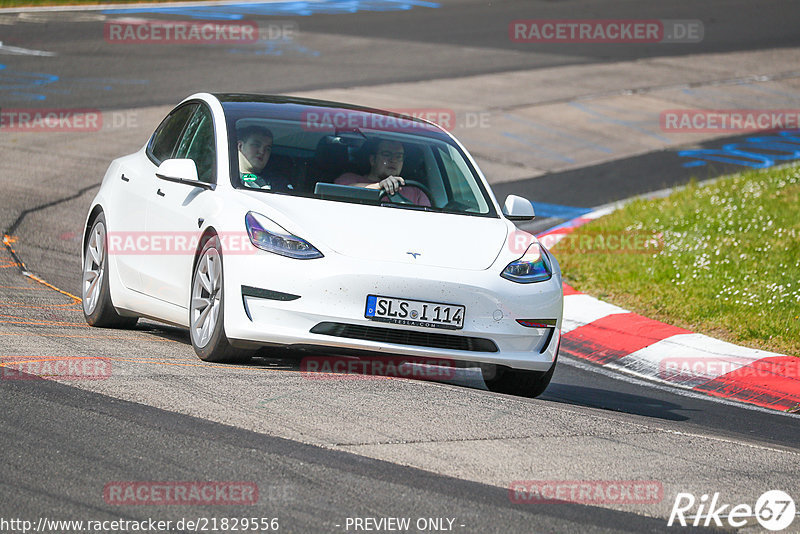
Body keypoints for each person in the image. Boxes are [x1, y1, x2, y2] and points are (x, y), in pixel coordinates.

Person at [335, 139, 430, 206]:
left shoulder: (416, 190)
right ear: (373, 160)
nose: (393, 160)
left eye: (398, 156)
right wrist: (378, 186)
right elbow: (339, 192)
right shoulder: (349, 179)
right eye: (387, 155)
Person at [237, 125, 294, 192]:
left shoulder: (278, 183)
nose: (262, 151)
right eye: (256, 145)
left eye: (267, 149)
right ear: (240, 146)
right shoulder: (225, 179)